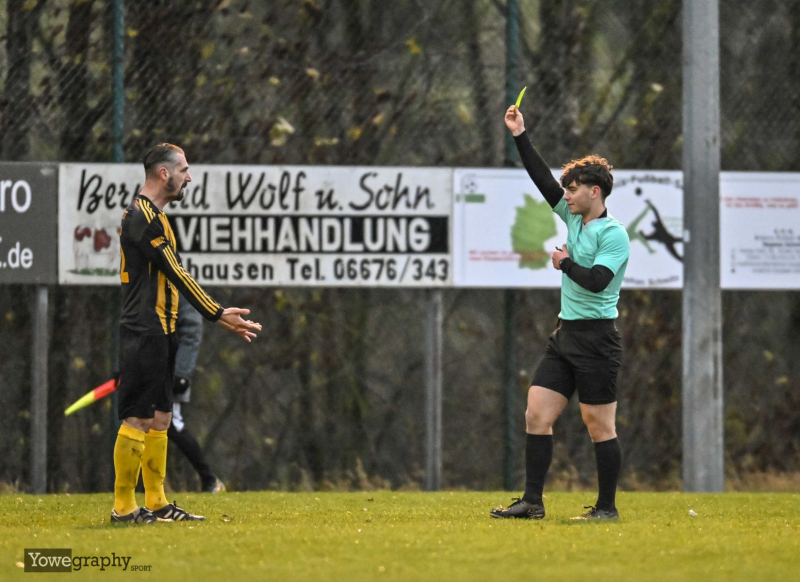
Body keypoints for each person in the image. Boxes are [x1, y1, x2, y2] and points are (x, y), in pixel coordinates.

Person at [491, 104, 630, 520]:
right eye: (565, 189)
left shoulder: (614, 234)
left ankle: (606, 508)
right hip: (565, 335)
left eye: (573, 190)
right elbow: (540, 177)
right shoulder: (572, 220)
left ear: (595, 192)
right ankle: (532, 502)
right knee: (536, 412)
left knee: (598, 424)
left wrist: (563, 263)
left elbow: (597, 281)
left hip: (598, 339)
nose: (565, 195)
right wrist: (519, 134)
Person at [112, 143, 261, 524]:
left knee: (161, 417)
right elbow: (177, 272)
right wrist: (217, 313)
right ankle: (124, 508)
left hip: (162, 329)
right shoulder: (142, 217)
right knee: (137, 419)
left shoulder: (154, 215)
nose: (188, 178)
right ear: (164, 173)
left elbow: (172, 275)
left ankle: (158, 503)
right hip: (143, 330)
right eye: (184, 170)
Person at [168, 299, 225, 494]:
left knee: (172, 424)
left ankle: (209, 479)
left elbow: (192, 332)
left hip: (169, 371)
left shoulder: (178, 281)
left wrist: (182, 374)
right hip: (146, 366)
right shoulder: (143, 284)